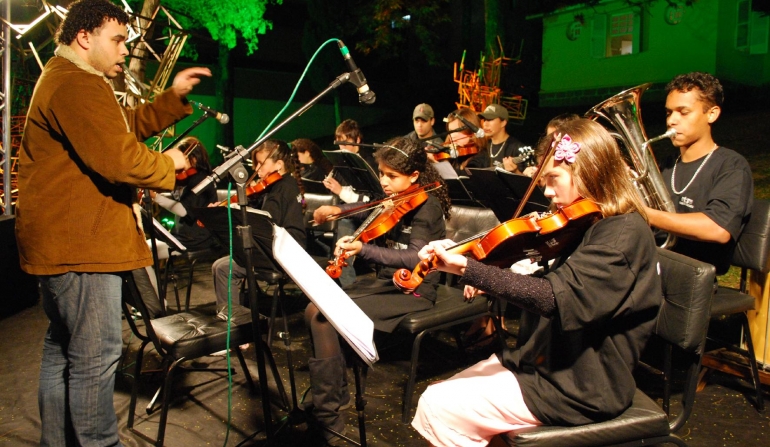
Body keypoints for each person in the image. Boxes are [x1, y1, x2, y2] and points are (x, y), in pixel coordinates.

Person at [14, 1, 210, 445]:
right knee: (95, 357)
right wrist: (169, 162)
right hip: (81, 246)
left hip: (62, 245)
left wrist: (172, 100)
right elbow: (118, 157)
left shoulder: (68, 79)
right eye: (118, 40)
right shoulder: (76, 83)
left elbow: (121, 127)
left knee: (62, 350)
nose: (125, 50)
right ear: (85, 37)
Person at [411, 118, 662, 447]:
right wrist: (470, 260)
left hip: (583, 383)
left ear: (591, 170)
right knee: (445, 395)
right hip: (549, 360)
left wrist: (470, 269)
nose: (546, 192)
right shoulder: (590, 223)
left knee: (439, 406)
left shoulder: (621, 234)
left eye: (554, 179)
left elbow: (555, 297)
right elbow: (550, 280)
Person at [307, 137, 452, 442]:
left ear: (414, 176)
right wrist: (338, 209)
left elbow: (416, 256)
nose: (384, 182)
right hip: (387, 284)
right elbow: (367, 210)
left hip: (414, 291)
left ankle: (329, 415)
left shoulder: (428, 207)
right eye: (382, 174)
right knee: (317, 308)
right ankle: (334, 400)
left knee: (321, 315)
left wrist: (364, 250)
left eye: (391, 176)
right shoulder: (397, 200)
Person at [645, 72, 753, 276]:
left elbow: (717, 229)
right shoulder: (665, 166)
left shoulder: (731, 166)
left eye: (683, 112)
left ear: (712, 114)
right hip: (655, 267)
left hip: (694, 278)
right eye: (669, 113)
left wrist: (647, 215)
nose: (672, 121)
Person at [211, 140, 306, 316]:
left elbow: (266, 222)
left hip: (285, 253)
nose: (258, 169)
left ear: (279, 164)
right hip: (273, 248)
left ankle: (236, 326)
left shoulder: (283, 189)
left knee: (224, 268)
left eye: (262, 164)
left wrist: (235, 211)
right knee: (222, 264)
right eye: (256, 164)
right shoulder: (274, 187)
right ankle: (238, 317)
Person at [151, 136, 222, 251]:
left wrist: (155, 197)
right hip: (183, 235)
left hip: (196, 237)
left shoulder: (201, 181)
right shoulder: (185, 179)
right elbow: (178, 198)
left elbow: (183, 210)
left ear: (193, 159)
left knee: (150, 249)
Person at [478, 104, 527, 173]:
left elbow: (526, 181)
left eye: (490, 119)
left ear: (503, 123)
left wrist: (515, 171)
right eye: (485, 120)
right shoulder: (483, 146)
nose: (485, 124)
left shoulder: (518, 148)